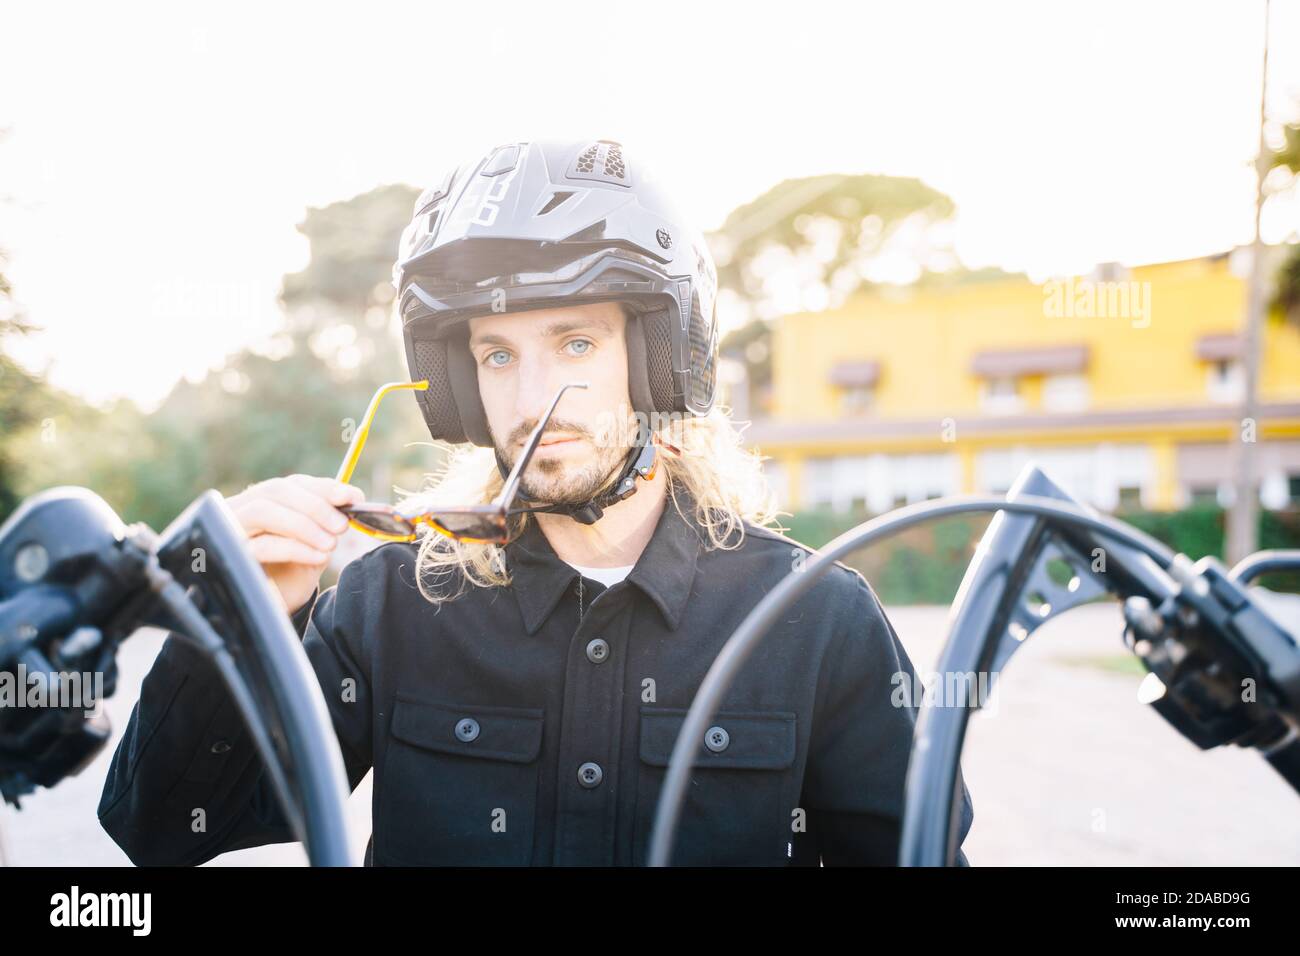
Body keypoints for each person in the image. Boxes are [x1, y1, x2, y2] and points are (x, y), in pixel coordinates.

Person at [98, 138, 974, 866]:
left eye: (577, 341)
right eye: (498, 355)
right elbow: (161, 828)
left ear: (658, 360)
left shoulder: (813, 618)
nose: (530, 398)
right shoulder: (393, 605)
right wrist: (239, 623)